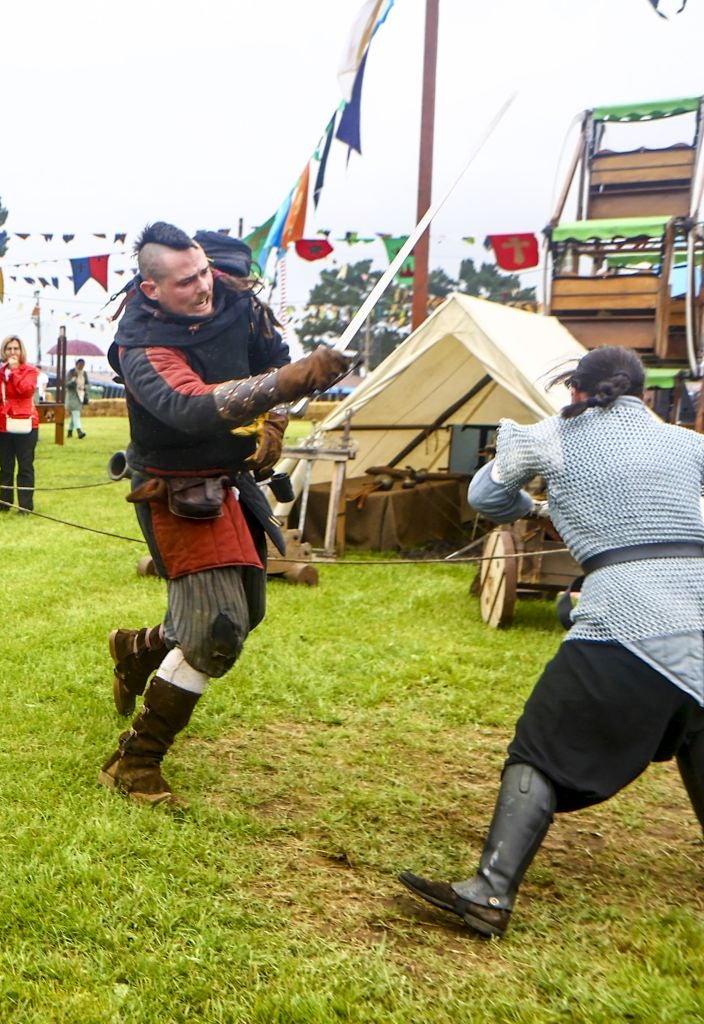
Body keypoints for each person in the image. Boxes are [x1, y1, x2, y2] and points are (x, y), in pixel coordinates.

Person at [398, 346, 704, 938]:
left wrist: (534, 505)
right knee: (697, 730)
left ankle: (488, 894)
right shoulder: (688, 443)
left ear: (575, 391)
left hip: (628, 614)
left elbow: (485, 499)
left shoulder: (550, 437)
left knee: (538, 750)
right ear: (643, 393)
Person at [98, 222, 348, 809]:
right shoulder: (142, 342)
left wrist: (275, 421)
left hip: (231, 478)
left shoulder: (234, 300)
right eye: (188, 281)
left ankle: (139, 651)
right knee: (217, 631)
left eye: (206, 271)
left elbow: (272, 358)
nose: (206, 287)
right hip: (176, 488)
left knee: (247, 610)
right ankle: (135, 762)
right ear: (153, 287)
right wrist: (290, 381)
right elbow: (189, 406)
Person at [0, 336, 39, 514]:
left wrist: (15, 372)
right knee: (6, 466)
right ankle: (4, 502)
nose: (12, 352)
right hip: (2, 424)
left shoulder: (30, 371)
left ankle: (25, 506)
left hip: (26, 423)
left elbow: (26, 390)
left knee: (25, 465)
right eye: (9, 349)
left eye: (16, 348)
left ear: (21, 351)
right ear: (4, 351)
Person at [65, 357, 91, 440]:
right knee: (76, 413)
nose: (81, 366)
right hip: (72, 396)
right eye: (80, 365)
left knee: (74, 415)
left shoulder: (84, 373)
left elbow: (87, 384)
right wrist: (73, 381)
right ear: (77, 364)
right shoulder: (71, 372)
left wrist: (84, 387)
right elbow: (66, 384)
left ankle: (69, 432)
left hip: (81, 395)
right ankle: (79, 431)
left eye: (83, 365)